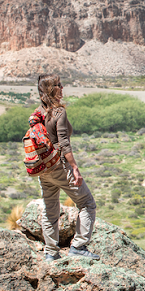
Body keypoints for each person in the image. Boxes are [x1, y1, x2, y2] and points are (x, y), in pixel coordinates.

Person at [36, 74, 99, 261]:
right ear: (51, 89)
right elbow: (64, 144)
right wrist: (75, 168)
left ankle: (50, 253)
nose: (62, 88)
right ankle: (79, 246)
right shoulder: (58, 113)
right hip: (60, 167)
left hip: (44, 169)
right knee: (87, 204)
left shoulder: (38, 112)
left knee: (50, 210)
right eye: (59, 85)